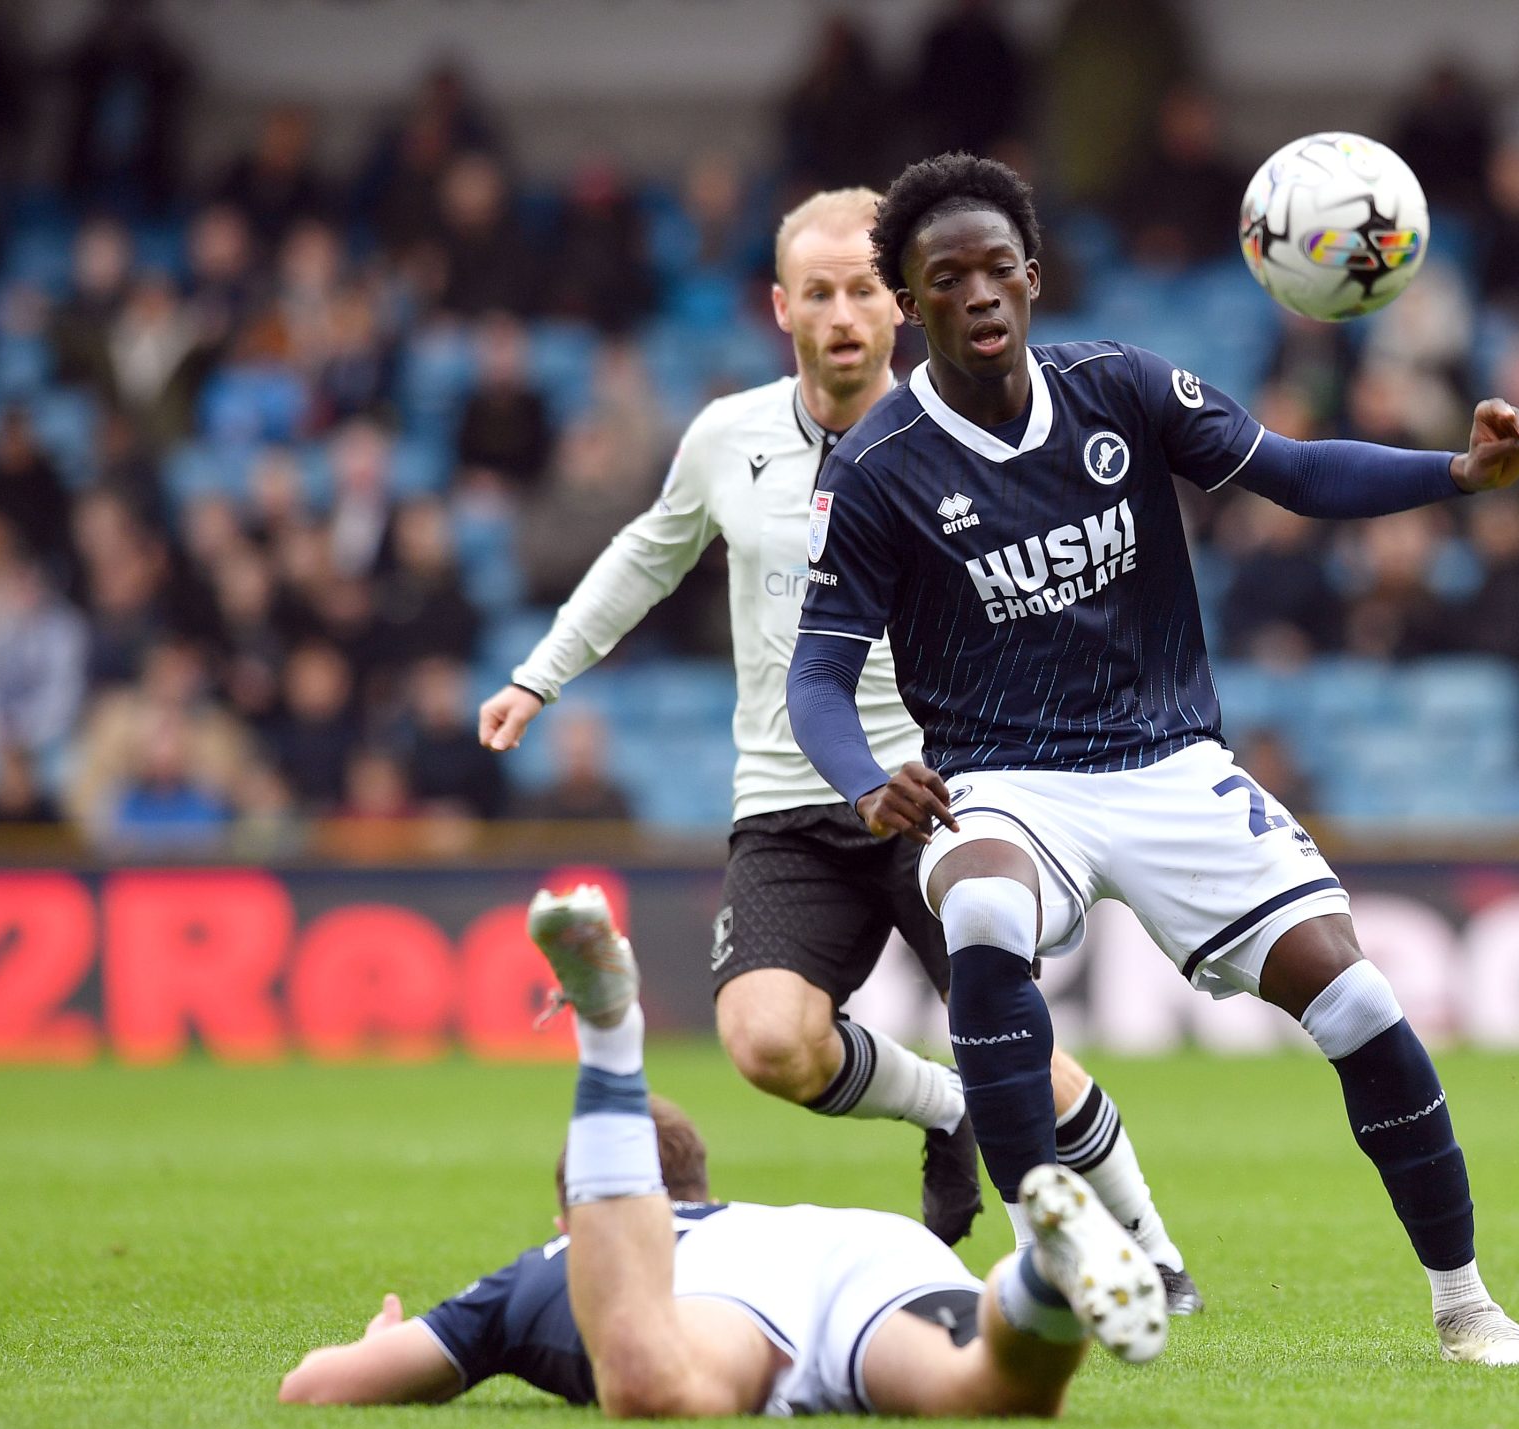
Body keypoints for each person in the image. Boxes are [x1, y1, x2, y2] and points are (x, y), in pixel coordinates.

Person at [786, 153, 1519, 1366]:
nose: (980, 293)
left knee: (1356, 995)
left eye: (999, 269)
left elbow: (1294, 475)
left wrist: (1457, 474)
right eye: (948, 279)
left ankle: (1466, 1305)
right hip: (1003, 777)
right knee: (982, 901)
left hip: (1167, 760)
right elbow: (817, 677)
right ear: (909, 304)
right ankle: (1050, 1257)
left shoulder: (1123, 388)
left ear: (1032, 279)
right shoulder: (876, 469)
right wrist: (863, 778)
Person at [476, 190, 1197, 1311]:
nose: (845, 312)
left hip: (943, 789)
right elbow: (644, 555)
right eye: (820, 291)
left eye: (865, 288)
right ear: (781, 307)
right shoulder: (727, 437)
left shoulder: (966, 435)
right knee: (766, 1042)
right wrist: (539, 675)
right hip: (788, 799)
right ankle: (944, 1108)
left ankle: (1152, 1251)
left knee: (1026, 1056)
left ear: (902, 304)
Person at [277, 885, 1163, 1416]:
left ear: (580, 1214)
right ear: (698, 1185)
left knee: (658, 1387)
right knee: (991, 1395)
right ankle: (1044, 1276)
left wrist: (373, 1344)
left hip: (723, 1301)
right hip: (875, 1250)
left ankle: (610, 1041)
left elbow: (313, 1391)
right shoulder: (749, 1217)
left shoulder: (546, 1262)